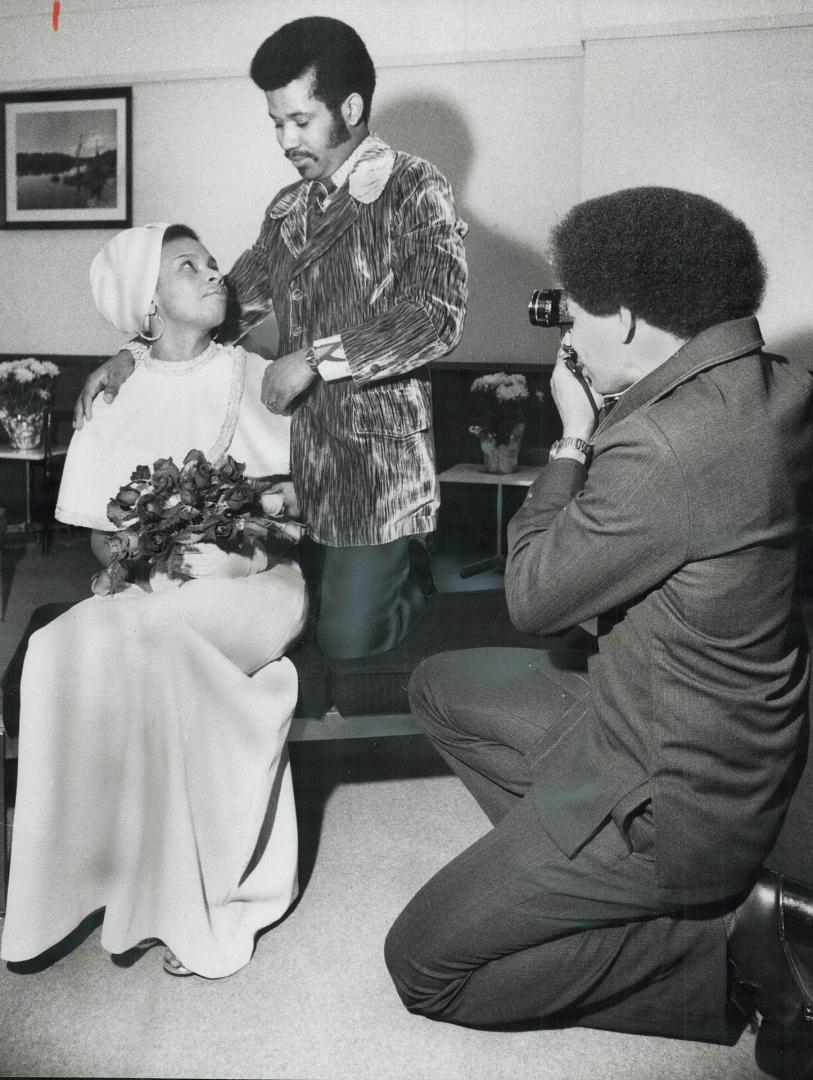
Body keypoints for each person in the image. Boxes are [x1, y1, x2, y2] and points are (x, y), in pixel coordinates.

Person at [384, 188, 813, 1079]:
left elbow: (534, 596)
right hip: (704, 728)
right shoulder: (775, 386)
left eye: (571, 307)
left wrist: (571, 441)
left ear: (621, 315)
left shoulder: (664, 444)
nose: (564, 326)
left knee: (424, 965)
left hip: (667, 795)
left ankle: (727, 948)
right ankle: (576, 882)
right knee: (440, 684)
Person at [74, 15, 468, 661]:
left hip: (375, 466)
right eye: (275, 123)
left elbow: (434, 317)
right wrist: (132, 354)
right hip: (289, 461)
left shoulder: (415, 186)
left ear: (350, 107)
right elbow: (225, 305)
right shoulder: (288, 207)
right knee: (276, 622)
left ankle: (412, 564)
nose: (286, 139)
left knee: (346, 640)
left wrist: (315, 358)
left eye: (300, 121)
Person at [0, 223, 308, 979]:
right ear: (145, 305)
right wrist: (149, 549)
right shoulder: (113, 394)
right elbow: (102, 542)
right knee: (57, 646)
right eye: (187, 267)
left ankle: (202, 898)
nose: (214, 274)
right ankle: (83, 888)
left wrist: (233, 533)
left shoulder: (257, 375)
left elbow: (299, 510)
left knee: (152, 637)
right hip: (154, 587)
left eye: (210, 262)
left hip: (257, 584)